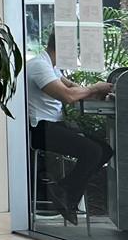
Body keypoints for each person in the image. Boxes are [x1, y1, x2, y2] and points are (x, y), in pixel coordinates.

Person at [26, 30, 114, 225]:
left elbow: (74, 89)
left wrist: (101, 93)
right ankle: (64, 193)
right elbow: (68, 96)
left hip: (54, 125)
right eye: (75, 49)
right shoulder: (39, 66)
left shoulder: (52, 68)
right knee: (92, 151)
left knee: (105, 150)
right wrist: (93, 89)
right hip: (41, 128)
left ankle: (64, 191)